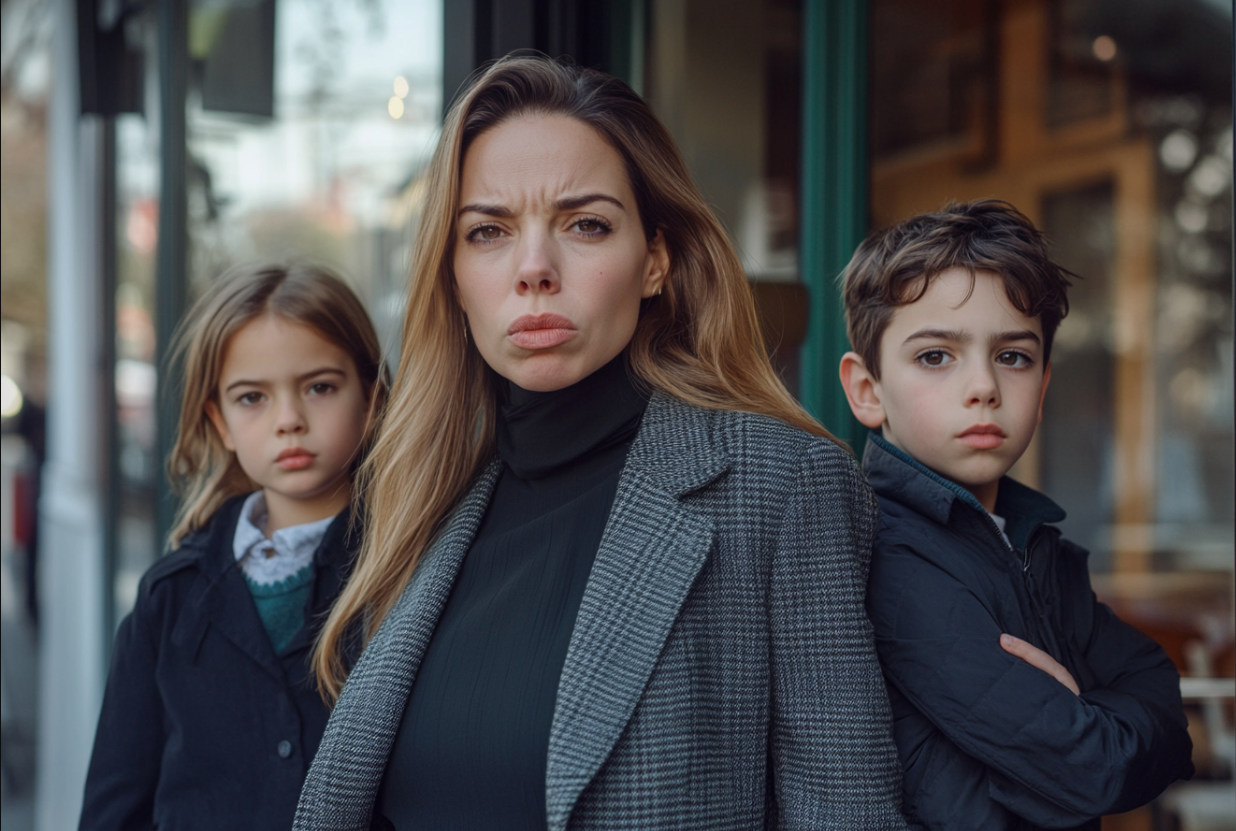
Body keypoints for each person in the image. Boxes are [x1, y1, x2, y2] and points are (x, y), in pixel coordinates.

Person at [294, 55, 907, 830]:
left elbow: (846, 813)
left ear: (656, 259)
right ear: (450, 276)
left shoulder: (781, 485)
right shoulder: (425, 499)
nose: (535, 270)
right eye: (488, 231)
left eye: (585, 225)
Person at [838, 200, 1194, 831]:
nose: (984, 386)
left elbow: (1160, 693)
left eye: (1013, 356)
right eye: (935, 357)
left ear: (1043, 383)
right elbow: (1094, 769)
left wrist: (1085, 713)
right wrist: (1095, 722)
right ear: (867, 390)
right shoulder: (886, 555)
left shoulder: (1037, 546)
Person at [79, 264, 388, 830]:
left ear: (369, 396)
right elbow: (114, 805)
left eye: (320, 387)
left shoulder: (407, 572)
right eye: (252, 398)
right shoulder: (168, 597)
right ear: (219, 421)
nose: (289, 421)